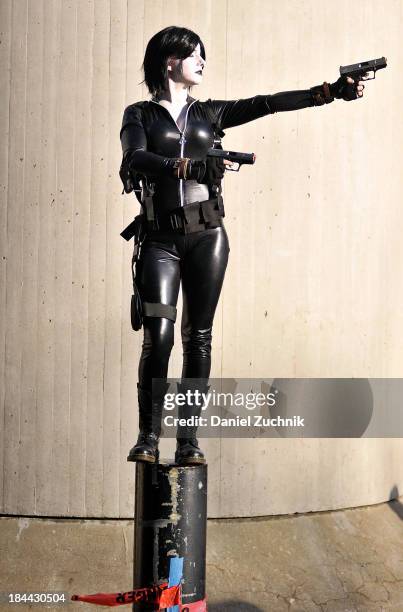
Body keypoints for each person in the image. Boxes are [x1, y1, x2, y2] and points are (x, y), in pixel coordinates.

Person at [119, 25, 365, 466]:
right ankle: (148, 435)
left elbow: (266, 105)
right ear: (169, 60)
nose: (202, 62)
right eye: (194, 54)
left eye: (203, 55)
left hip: (208, 237)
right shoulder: (139, 114)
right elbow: (134, 158)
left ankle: (188, 440)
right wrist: (182, 166)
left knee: (199, 338)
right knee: (158, 338)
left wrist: (328, 92)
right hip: (160, 240)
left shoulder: (208, 113)